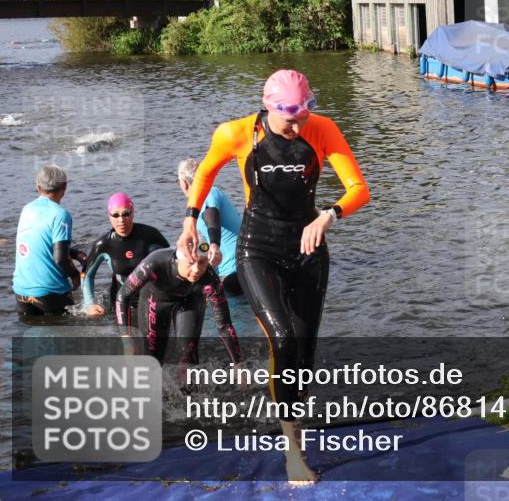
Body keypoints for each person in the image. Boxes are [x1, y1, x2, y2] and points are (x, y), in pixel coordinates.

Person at [177, 69, 369, 484]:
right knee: (282, 337)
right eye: (289, 119)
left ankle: (293, 415)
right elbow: (206, 172)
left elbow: (359, 188)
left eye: (303, 115)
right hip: (257, 249)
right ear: (268, 107)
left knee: (304, 356)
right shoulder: (236, 134)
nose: (297, 126)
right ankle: (292, 452)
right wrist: (190, 221)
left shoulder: (322, 129)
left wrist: (329, 215)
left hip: (308, 250)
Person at [116, 241, 242, 368]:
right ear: (179, 260)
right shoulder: (154, 263)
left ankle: (189, 386)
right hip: (155, 299)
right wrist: (127, 341)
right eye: (191, 263)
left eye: (202, 262)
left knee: (188, 353)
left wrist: (238, 365)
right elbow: (122, 296)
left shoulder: (209, 278)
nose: (196, 270)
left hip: (190, 300)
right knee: (152, 358)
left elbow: (224, 325)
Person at [13, 166, 87, 317]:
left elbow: (40, 244)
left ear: (38, 187)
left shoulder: (27, 209)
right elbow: (60, 259)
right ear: (65, 186)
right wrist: (75, 276)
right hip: (49, 292)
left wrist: (74, 253)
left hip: (21, 291)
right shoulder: (60, 214)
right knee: (70, 335)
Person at [82, 192, 170, 317]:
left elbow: (173, 262)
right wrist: (89, 304)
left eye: (126, 214)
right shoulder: (103, 244)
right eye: (116, 215)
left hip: (150, 296)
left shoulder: (150, 236)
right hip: (120, 298)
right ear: (109, 216)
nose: (121, 220)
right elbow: (86, 275)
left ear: (133, 213)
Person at [177, 158, 243, 295]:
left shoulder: (209, 193)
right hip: (231, 271)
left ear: (183, 183)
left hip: (234, 272)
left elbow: (211, 216)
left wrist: (214, 245)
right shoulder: (196, 206)